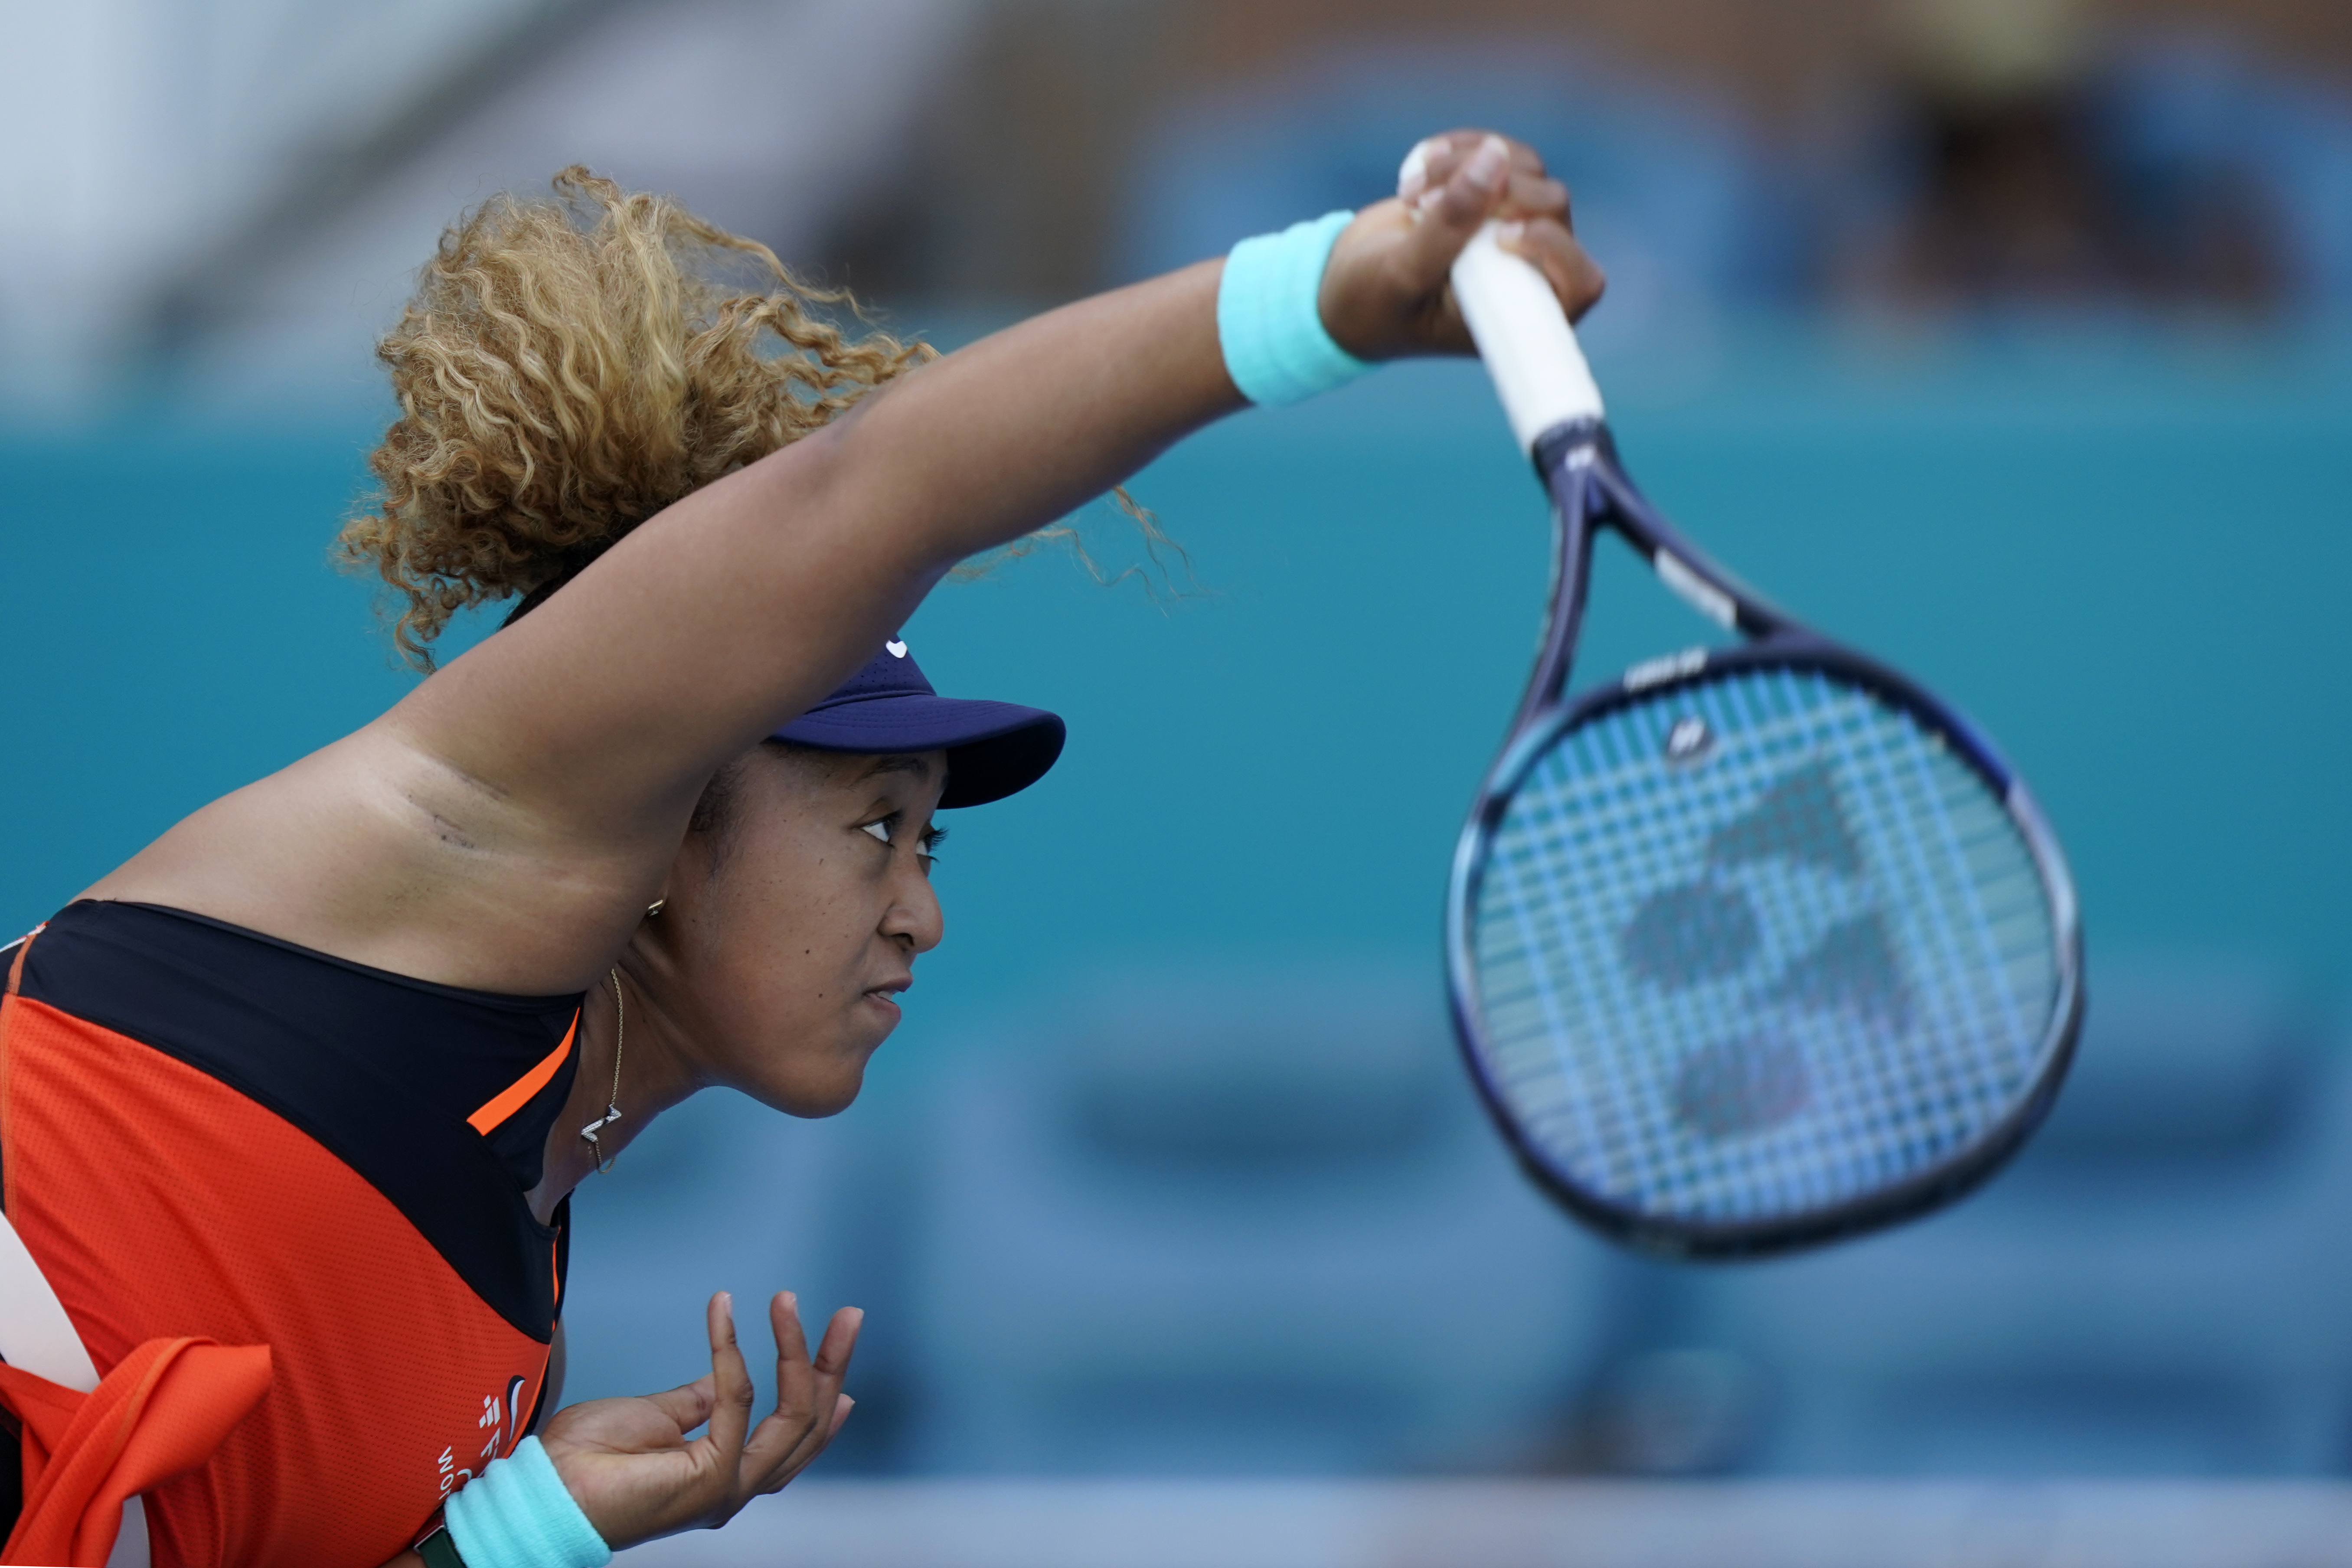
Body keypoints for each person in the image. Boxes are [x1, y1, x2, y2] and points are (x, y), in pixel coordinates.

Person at [0, 128, 1601, 1568]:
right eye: (876, 829)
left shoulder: (514, 1315)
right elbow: (872, 494)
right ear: (665, 811)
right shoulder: (460, 840)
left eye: (933, 845)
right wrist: (1334, 292)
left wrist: (520, 1530)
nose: (922, 914)